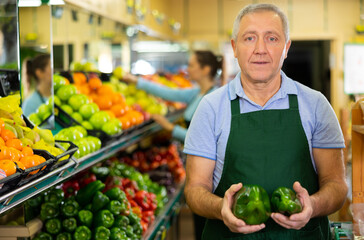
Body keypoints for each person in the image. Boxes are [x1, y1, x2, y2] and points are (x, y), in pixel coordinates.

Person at [183, 3, 348, 240]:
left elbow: (336, 185)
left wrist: (313, 204)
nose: (260, 49)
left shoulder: (315, 105)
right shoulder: (210, 108)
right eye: (249, 38)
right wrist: (221, 208)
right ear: (234, 47)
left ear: (286, 47)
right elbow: (195, 189)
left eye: (272, 38)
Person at [123, 50, 223, 142]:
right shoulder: (198, 92)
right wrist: (136, 81)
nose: (187, 69)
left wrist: (170, 127)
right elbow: (167, 92)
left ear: (205, 70)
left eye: (191, 65)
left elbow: (203, 140)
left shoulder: (213, 100)